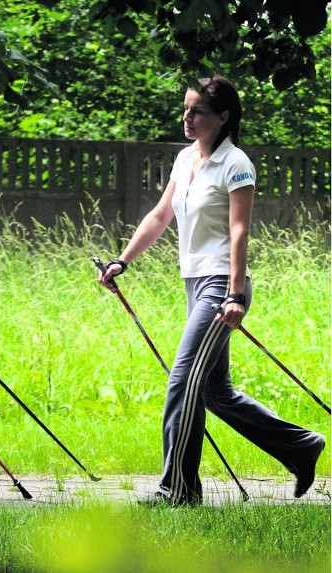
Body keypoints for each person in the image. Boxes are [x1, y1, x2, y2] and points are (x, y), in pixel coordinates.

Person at [99, 76, 325, 506]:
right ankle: (300, 446)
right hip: (195, 282)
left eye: (197, 111)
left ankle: (178, 490)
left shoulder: (236, 163)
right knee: (214, 392)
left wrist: (236, 295)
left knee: (182, 383)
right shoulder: (185, 159)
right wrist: (122, 260)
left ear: (223, 117)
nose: (187, 118)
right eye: (185, 109)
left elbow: (240, 231)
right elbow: (160, 215)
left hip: (222, 284)